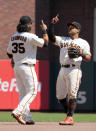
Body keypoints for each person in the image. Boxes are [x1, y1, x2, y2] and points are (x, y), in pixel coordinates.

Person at [48, 15, 91, 125]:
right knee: (60, 96)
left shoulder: (83, 42)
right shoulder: (63, 39)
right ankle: (68, 114)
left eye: (73, 26)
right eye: (69, 26)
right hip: (62, 69)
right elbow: (51, 38)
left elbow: (89, 57)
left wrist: (80, 53)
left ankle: (70, 117)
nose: (70, 28)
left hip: (74, 69)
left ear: (78, 30)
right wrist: (52, 24)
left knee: (72, 94)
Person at [7, 16, 49, 125]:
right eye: (31, 24)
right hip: (27, 66)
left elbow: (9, 53)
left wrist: (13, 59)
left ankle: (28, 117)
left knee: (23, 93)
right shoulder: (31, 36)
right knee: (33, 91)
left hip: (17, 67)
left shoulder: (13, 37)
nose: (31, 25)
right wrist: (44, 30)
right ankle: (18, 111)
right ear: (28, 25)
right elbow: (45, 43)